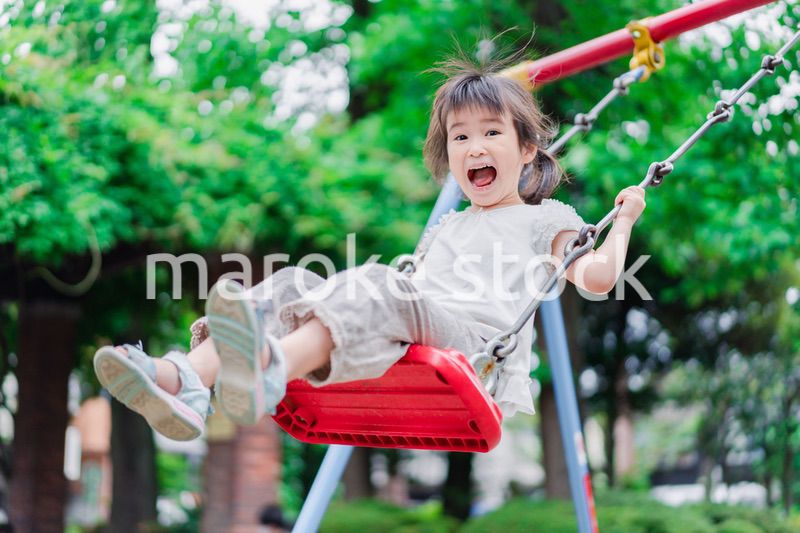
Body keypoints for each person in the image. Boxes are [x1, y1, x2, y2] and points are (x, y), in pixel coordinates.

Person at [93, 56, 646, 442]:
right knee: (294, 285)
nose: (474, 146)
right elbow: (408, 297)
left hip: (477, 350)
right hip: (419, 326)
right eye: (460, 137)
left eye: (492, 133)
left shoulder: (543, 218)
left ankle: (270, 366)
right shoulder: (449, 225)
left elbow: (596, 277)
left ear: (527, 151)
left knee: (378, 283)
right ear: (449, 155)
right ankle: (182, 381)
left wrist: (622, 223)